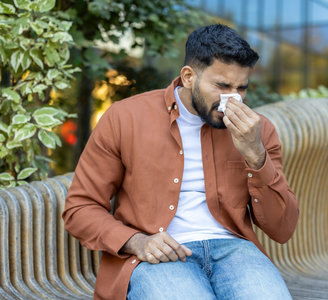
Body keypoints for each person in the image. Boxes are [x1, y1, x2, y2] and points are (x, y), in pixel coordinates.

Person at [63, 24, 299, 300]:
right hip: (159, 253)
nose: (232, 99)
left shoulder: (259, 131)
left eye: (241, 88)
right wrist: (136, 241)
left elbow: (282, 228)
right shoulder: (125, 118)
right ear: (188, 77)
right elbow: (80, 208)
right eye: (222, 86)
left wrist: (255, 154)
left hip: (235, 251)